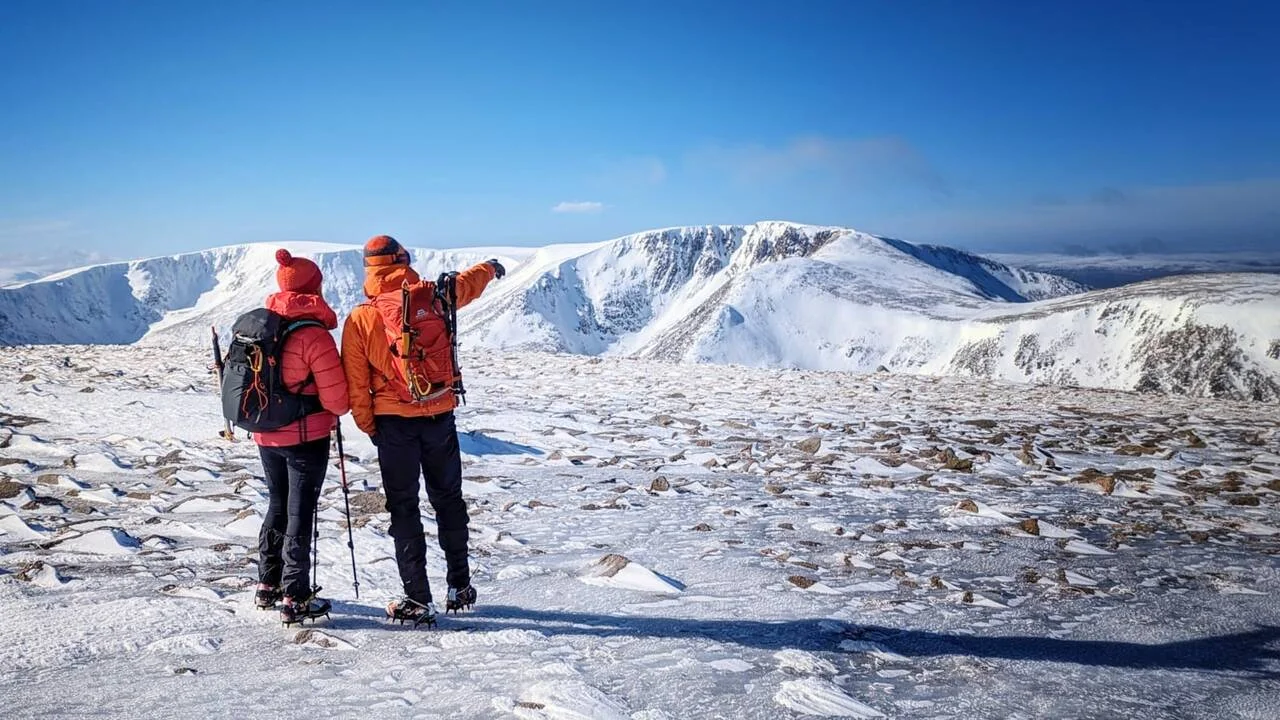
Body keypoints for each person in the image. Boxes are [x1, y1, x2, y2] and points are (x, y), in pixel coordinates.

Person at [341, 235, 503, 627]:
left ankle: (417, 596)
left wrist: (371, 427)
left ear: (369, 269)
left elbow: (356, 383)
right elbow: (465, 285)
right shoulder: (433, 297)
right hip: (440, 414)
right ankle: (459, 586)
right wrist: (491, 268)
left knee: (404, 507)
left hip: (394, 424)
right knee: (448, 499)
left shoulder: (362, 318)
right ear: (403, 260)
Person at [253, 249, 350, 625]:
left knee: (277, 504)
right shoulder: (314, 336)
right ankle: (296, 594)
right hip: (305, 438)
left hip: (265, 435)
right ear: (314, 287)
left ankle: (267, 583)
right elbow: (338, 401)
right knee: (299, 513)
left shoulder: (265, 327)